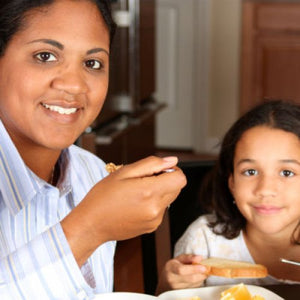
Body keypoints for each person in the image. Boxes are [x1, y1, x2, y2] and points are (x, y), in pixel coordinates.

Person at [0, 0, 187, 299]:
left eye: (92, 63)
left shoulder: (94, 173)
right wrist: (89, 228)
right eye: (45, 56)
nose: (74, 85)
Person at [156, 99, 300, 294]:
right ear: (231, 182)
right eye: (250, 172)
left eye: (287, 173)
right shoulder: (204, 241)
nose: (265, 189)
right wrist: (168, 286)